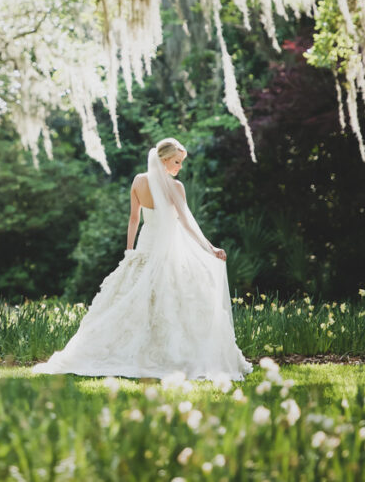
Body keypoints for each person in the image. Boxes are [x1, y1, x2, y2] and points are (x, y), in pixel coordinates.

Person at [33, 138, 252, 380]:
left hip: (147, 243)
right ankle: (166, 355)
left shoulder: (138, 181)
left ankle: (140, 351)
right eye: (177, 162)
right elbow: (187, 223)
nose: (180, 167)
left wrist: (130, 252)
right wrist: (210, 248)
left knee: (136, 295)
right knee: (172, 297)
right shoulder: (175, 187)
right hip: (168, 245)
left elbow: (134, 220)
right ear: (165, 160)